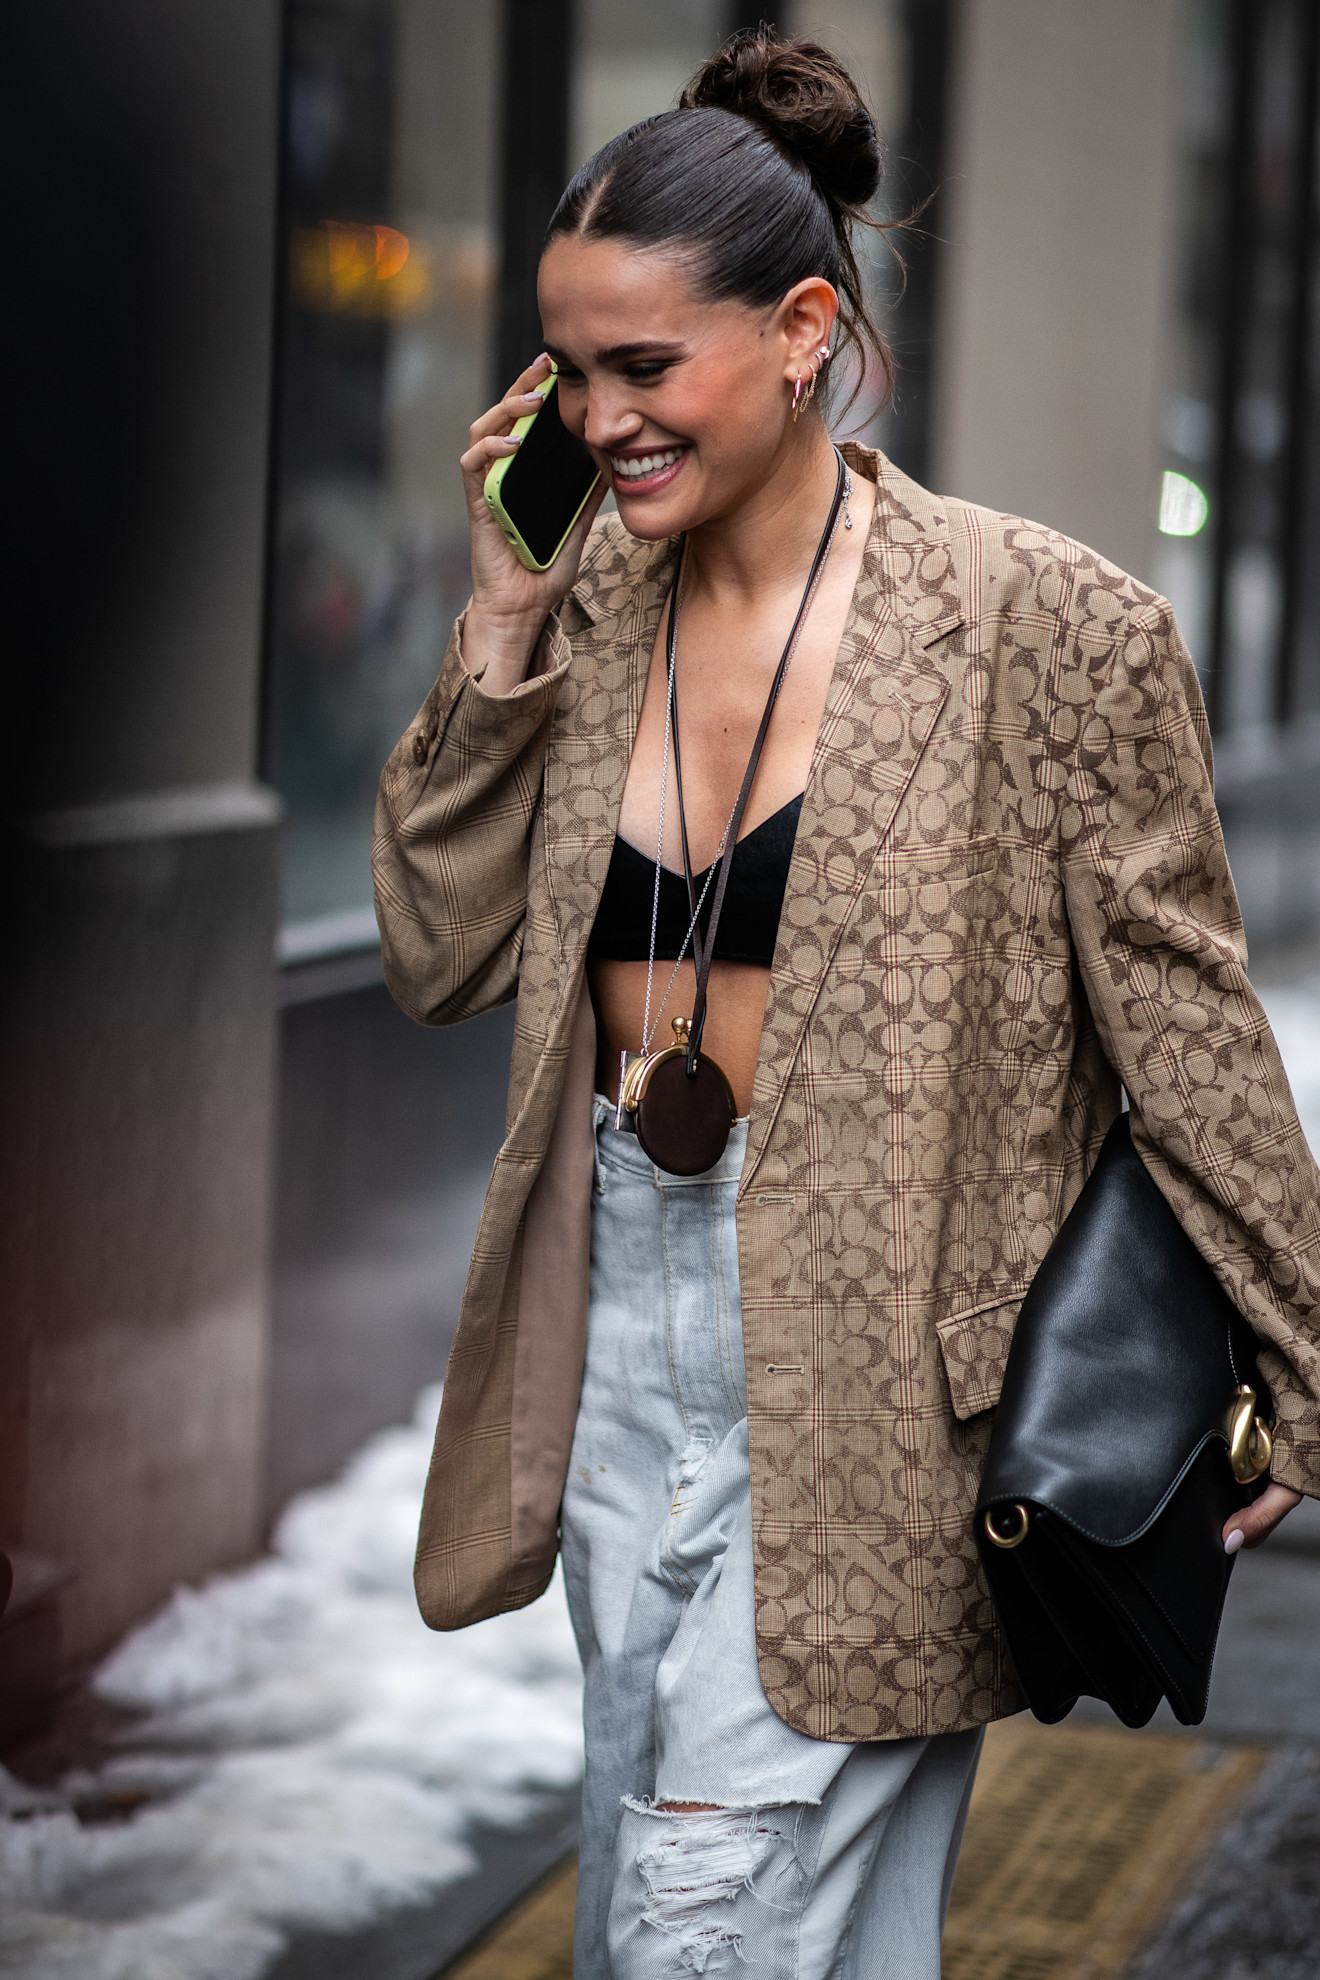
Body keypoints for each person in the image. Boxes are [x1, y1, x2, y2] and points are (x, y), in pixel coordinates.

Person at [373, 28, 1320, 1979]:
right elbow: (437, 948)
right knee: (737, 1886)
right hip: (621, 1355)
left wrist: (1296, 1361)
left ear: (803, 328)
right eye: (569, 373)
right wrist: (499, 616)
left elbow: (1186, 1024)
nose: (603, 420)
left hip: (890, 1393)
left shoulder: (1044, 626)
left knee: (692, 1921)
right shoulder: (594, 615)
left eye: (649, 366)